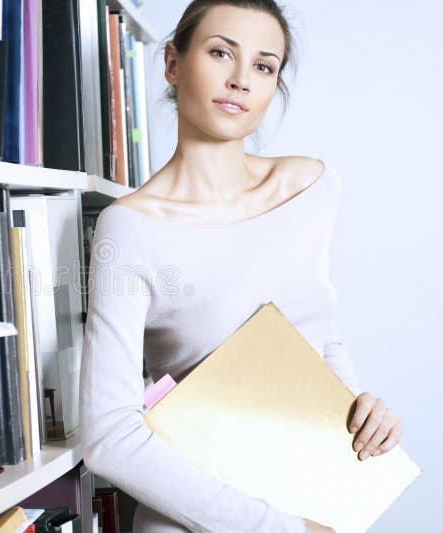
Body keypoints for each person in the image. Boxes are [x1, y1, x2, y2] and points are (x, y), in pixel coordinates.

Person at [78, 1, 404, 532]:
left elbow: (319, 335)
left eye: (263, 65)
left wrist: (362, 415)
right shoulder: (130, 228)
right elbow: (108, 436)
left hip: (316, 504)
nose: (240, 80)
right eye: (220, 52)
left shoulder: (313, 187)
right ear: (172, 64)